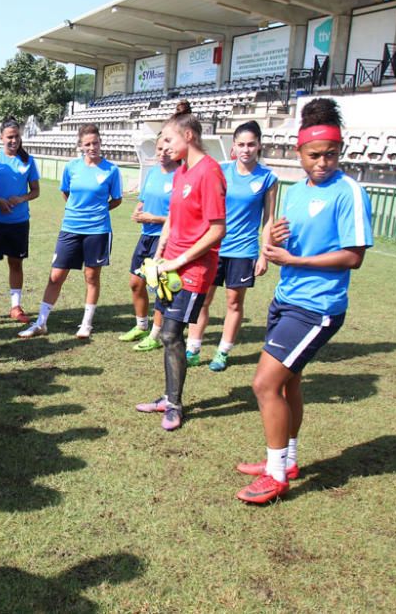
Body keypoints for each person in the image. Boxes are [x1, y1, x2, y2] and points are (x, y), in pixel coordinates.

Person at [235, 98, 371, 504]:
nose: (323, 162)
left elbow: (354, 256)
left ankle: (276, 475)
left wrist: (295, 259)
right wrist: (273, 241)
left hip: (318, 307)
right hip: (287, 298)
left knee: (264, 383)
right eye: (314, 155)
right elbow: (278, 237)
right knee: (288, 381)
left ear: (340, 152)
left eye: (331, 154)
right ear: (300, 153)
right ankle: (287, 459)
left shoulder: (348, 192)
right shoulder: (294, 193)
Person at [135, 106, 227, 431]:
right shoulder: (181, 171)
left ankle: (174, 404)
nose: (165, 147)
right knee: (166, 336)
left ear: (189, 136)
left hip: (191, 271)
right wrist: (161, 249)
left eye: (169, 139)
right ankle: (167, 396)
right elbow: (174, 216)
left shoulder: (210, 172)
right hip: (168, 266)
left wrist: (178, 260)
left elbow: (217, 230)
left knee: (172, 334)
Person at [187, 121, 278, 371]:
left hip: (244, 251)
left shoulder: (268, 178)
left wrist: (264, 254)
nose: (246, 149)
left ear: (259, 145)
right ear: (233, 147)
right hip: (213, 247)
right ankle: (193, 348)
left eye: (251, 144)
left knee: (234, 303)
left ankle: (223, 352)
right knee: (202, 299)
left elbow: (268, 219)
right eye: (241, 145)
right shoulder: (220, 170)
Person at [17, 124, 122, 339]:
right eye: (88, 144)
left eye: (96, 142)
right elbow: (66, 193)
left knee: (91, 276)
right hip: (71, 228)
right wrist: (79, 211)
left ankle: (86, 324)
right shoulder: (71, 167)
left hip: (98, 230)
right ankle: (41, 323)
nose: (92, 147)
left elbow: (117, 199)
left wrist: (98, 211)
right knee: (56, 276)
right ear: (81, 146)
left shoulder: (112, 170)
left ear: (101, 142)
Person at [0, 118, 40, 325]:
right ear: (1, 138)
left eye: (17, 137)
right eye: (10, 137)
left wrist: (21, 198)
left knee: (16, 263)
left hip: (19, 221)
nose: (14, 140)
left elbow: (35, 191)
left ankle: (15, 306)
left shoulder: (28, 160)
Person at [120, 137, 178, 352]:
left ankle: (156, 333)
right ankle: (141, 326)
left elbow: (182, 216)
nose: (163, 153)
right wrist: (139, 210)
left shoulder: (181, 177)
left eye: (167, 149)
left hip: (165, 239)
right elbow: (143, 201)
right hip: (146, 236)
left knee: (160, 288)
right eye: (159, 149)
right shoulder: (153, 173)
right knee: (136, 282)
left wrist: (155, 219)